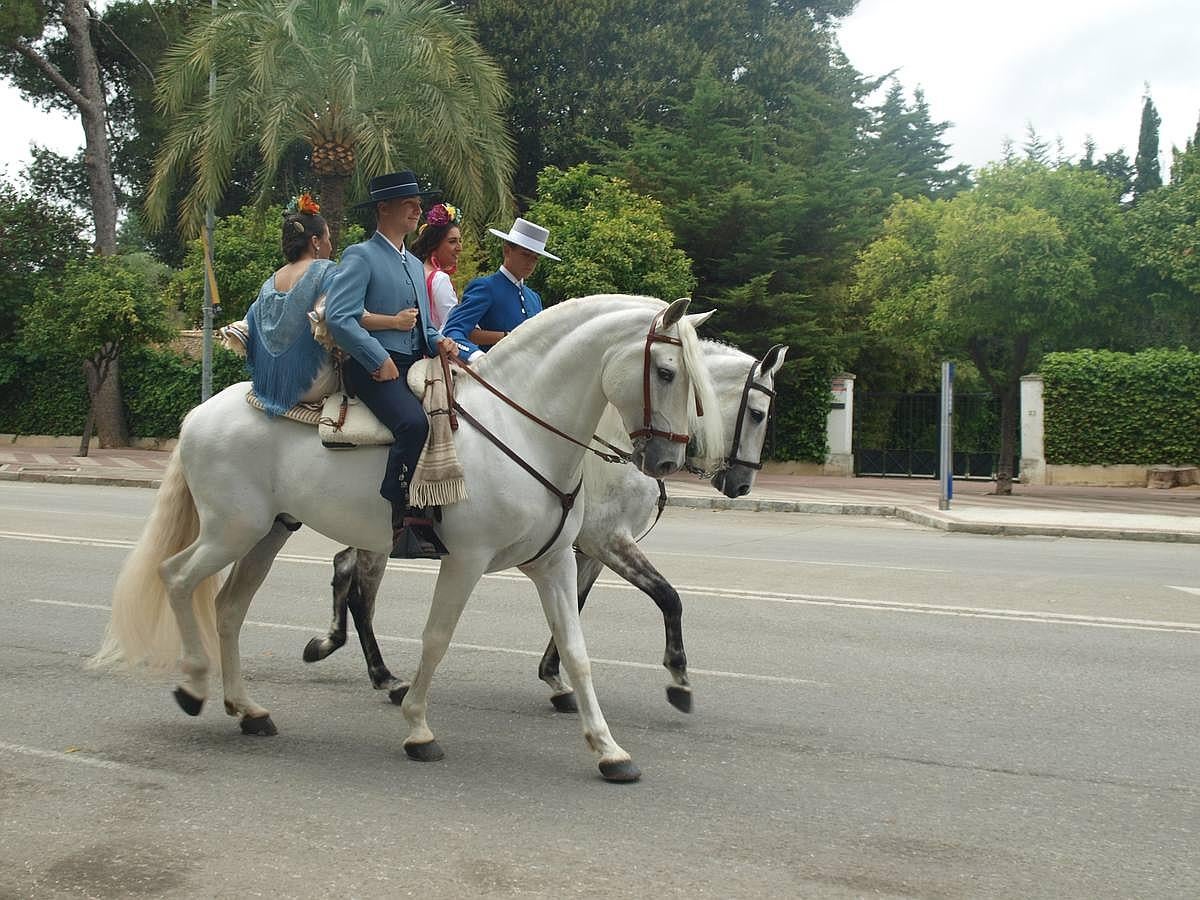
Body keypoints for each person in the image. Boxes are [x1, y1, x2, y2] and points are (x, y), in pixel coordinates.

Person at [324, 170, 459, 559]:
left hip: (414, 362)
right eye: (410, 204)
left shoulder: (416, 265)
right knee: (413, 423)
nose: (418, 210)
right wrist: (376, 357)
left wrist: (441, 341)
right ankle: (402, 518)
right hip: (371, 366)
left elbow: (427, 326)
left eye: (418, 204)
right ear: (384, 208)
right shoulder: (360, 255)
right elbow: (340, 317)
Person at [243, 194, 337, 416]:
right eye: (327, 239)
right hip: (310, 384)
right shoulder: (327, 270)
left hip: (269, 385)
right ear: (315, 242)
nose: (330, 246)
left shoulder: (271, 281)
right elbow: (343, 321)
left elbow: (250, 327)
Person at [441, 217, 559, 362]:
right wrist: (478, 358)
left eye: (535, 258)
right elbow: (454, 331)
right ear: (507, 251)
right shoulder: (486, 287)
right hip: (492, 377)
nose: (530, 262)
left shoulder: (534, 298)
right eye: (525, 255)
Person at [408, 201, 464, 329]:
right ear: (435, 243)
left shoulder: (416, 272)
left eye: (460, 241)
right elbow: (454, 325)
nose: (459, 248)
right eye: (452, 241)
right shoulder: (439, 279)